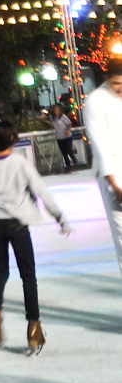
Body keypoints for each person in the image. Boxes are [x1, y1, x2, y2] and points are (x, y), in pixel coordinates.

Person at [0, 119, 71, 353]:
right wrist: (59, 217)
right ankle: (34, 329)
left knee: (1, 270)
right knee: (28, 275)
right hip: (17, 224)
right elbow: (41, 190)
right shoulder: (18, 163)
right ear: (13, 140)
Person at [84, 57, 122, 277]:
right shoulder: (96, 100)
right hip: (113, 176)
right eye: (116, 84)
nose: (120, 89)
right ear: (107, 78)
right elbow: (99, 144)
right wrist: (113, 182)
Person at [49, 104, 78, 172]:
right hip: (59, 137)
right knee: (63, 152)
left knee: (68, 149)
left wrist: (68, 130)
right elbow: (52, 124)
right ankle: (68, 165)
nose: (57, 111)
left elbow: (69, 124)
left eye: (58, 110)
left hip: (67, 136)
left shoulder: (63, 117)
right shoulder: (52, 118)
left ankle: (75, 161)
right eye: (56, 110)